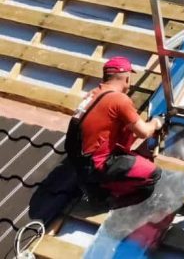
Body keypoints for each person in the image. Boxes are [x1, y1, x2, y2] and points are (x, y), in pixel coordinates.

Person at [66, 56, 163, 207]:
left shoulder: (93, 94)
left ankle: (96, 184)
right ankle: (106, 195)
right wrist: (156, 123)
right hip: (98, 165)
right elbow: (144, 132)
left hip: (82, 162)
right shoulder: (119, 100)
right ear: (127, 78)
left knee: (134, 148)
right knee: (153, 174)